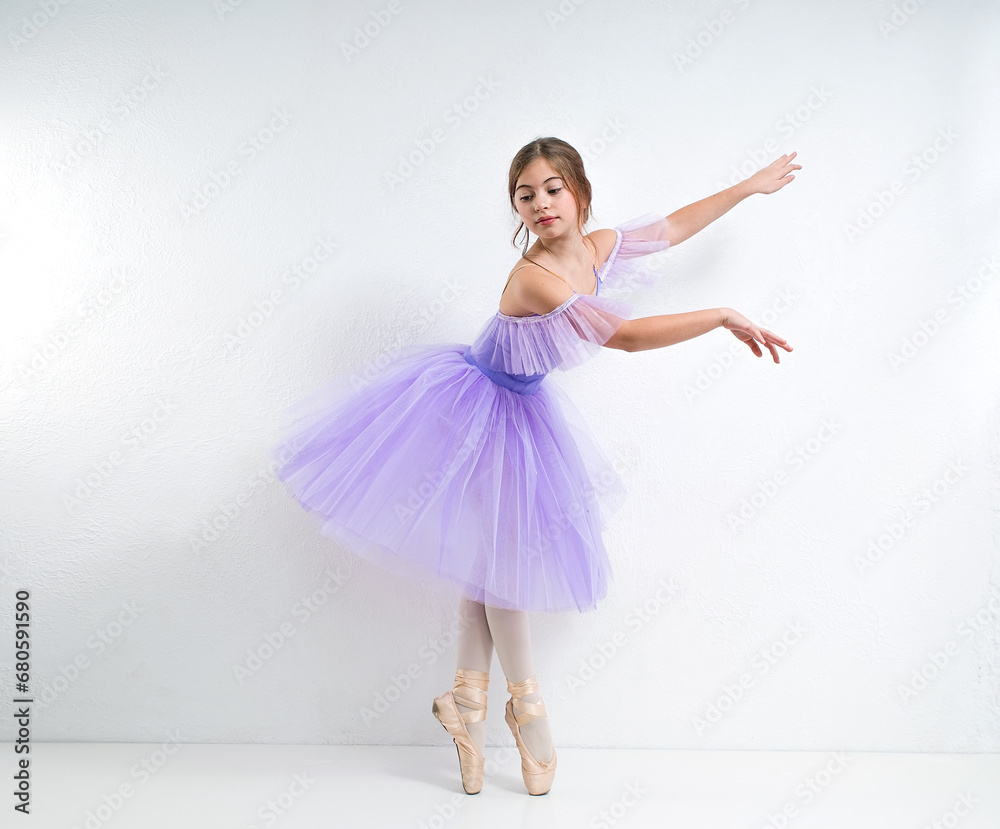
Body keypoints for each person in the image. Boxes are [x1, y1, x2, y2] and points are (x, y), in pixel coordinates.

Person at [270, 136, 797, 797]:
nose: (542, 203)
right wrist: (721, 314)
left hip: (520, 408)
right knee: (505, 565)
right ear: (516, 210)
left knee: (490, 564)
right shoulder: (533, 277)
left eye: (553, 188)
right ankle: (526, 708)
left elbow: (673, 227)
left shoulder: (599, 248)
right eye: (526, 194)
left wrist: (747, 186)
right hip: (469, 409)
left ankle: (466, 700)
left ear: (579, 192)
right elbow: (625, 338)